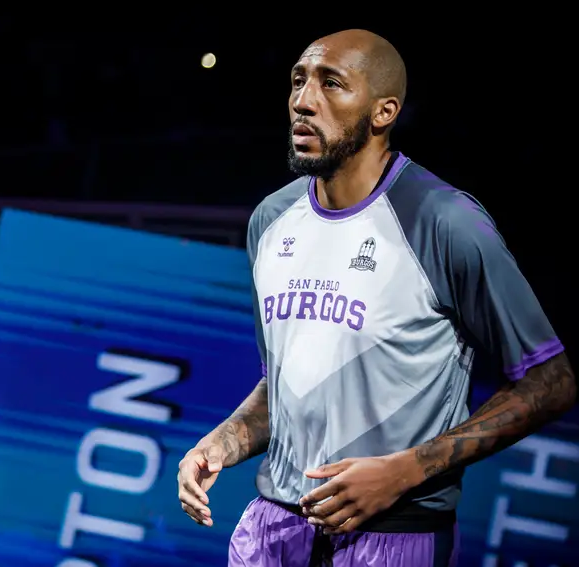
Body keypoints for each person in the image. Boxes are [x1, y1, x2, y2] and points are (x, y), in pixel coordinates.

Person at [176, 29, 576, 567]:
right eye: (298, 81)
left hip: (393, 535)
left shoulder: (444, 221)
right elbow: (286, 383)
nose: (302, 100)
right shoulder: (271, 219)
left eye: (331, 83)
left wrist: (407, 470)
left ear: (383, 111)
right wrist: (221, 443)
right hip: (270, 529)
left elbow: (551, 381)